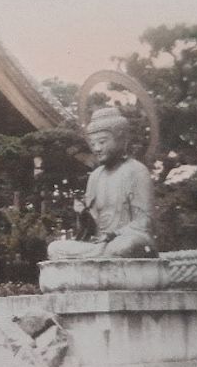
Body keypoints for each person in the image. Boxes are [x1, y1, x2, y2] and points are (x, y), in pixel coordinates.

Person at [47, 107, 156, 259]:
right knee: (55, 248)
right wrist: (82, 215)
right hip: (100, 244)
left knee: (125, 246)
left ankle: (98, 256)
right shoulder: (95, 176)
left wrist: (115, 234)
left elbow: (145, 222)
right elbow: (91, 227)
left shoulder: (136, 171)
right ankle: (99, 256)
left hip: (129, 240)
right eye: (93, 143)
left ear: (120, 139)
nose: (97, 148)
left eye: (102, 142)